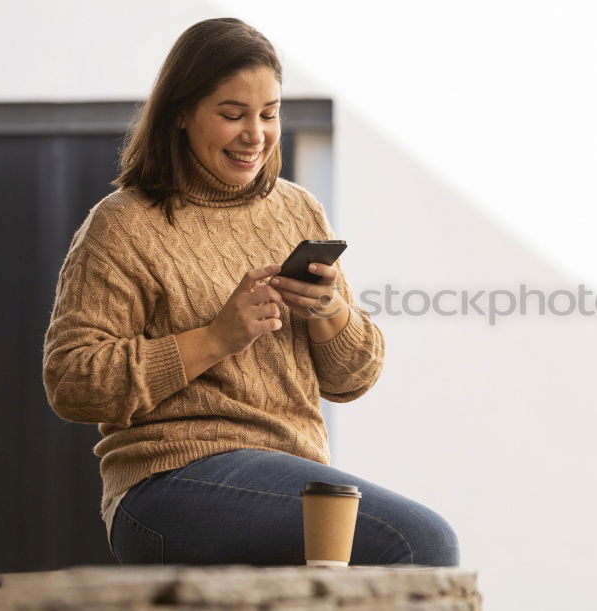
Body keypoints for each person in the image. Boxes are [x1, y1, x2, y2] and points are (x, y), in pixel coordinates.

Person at [41, 17, 459, 567]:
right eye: (233, 114)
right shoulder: (123, 224)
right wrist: (216, 337)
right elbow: (72, 381)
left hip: (289, 474)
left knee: (394, 551)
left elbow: (352, 379)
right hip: (166, 485)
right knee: (420, 542)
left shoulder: (297, 209)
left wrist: (328, 311)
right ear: (182, 112)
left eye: (269, 114)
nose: (255, 135)